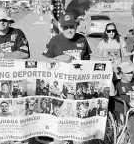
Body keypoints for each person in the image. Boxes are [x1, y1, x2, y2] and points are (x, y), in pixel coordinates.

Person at [42, 13, 115, 144]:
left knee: (78, 131)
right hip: (61, 91)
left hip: (80, 90)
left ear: (76, 26)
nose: (69, 30)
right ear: (61, 28)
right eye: (65, 27)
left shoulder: (82, 39)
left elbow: (88, 61)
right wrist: (58, 58)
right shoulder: (55, 41)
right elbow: (44, 61)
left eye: (71, 26)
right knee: (60, 130)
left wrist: (105, 62)